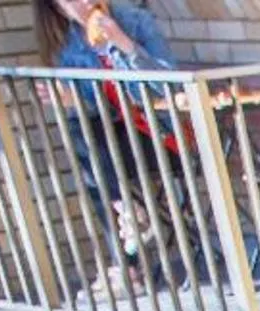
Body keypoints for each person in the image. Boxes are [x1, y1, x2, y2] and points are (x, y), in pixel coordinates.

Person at [33, 0, 185, 283]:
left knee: (94, 158)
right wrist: (72, 101)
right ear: (57, 8)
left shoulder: (136, 22)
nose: (86, 2)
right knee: (83, 133)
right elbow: (103, 109)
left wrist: (124, 44)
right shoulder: (67, 44)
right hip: (113, 148)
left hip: (158, 134)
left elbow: (168, 86)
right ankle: (128, 214)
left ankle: (127, 256)